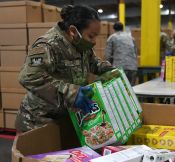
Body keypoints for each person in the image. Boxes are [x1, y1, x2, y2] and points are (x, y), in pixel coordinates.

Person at [15, 5, 113, 133]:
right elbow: (29, 77)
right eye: (91, 36)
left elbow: (93, 62)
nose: (94, 41)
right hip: (38, 120)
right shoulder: (49, 44)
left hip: (65, 115)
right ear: (73, 30)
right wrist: (71, 92)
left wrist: (109, 70)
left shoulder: (81, 44)